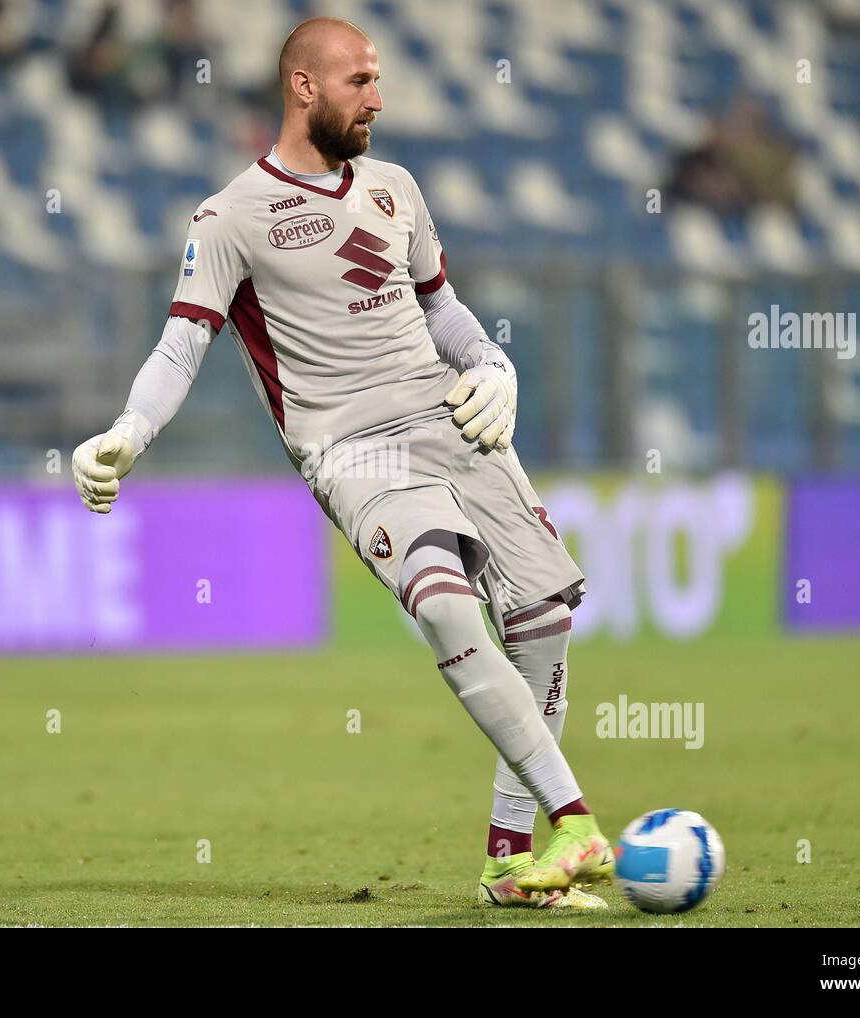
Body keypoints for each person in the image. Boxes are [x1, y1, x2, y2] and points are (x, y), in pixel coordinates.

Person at [71, 16, 613, 910]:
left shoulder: (398, 188)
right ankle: (577, 822)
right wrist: (127, 434)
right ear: (303, 87)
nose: (379, 97)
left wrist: (492, 363)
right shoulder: (230, 216)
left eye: (377, 78)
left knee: (545, 619)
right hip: (353, 450)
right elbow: (180, 348)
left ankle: (513, 864)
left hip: (451, 421)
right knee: (442, 600)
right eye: (360, 80)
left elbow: (443, 309)